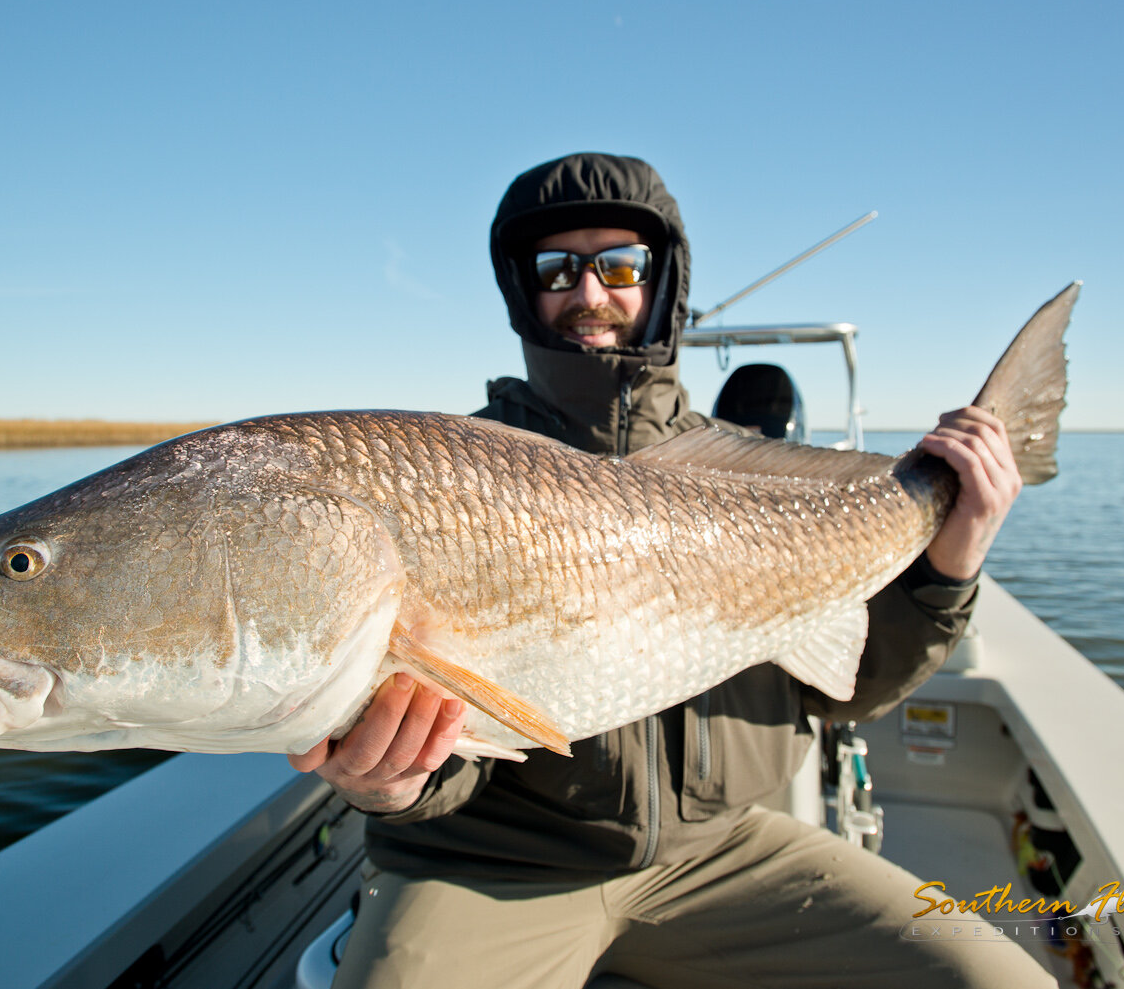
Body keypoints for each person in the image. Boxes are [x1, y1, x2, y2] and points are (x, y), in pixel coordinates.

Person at [290, 153, 1055, 988]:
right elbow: (442, 755)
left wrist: (956, 553)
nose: (589, 294)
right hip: (491, 865)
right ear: (522, 289)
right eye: (557, 269)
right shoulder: (445, 474)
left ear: (664, 280)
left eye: (620, 265)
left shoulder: (753, 478)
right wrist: (391, 785)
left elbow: (850, 689)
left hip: (724, 850)